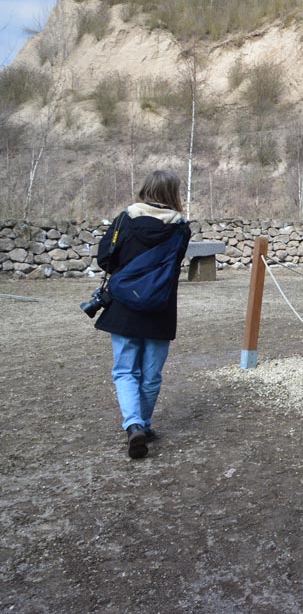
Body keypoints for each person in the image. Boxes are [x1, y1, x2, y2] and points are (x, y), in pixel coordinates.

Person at [94, 169, 191, 459]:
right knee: (151, 375)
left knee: (125, 370)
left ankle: (133, 424)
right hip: (160, 308)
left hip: (124, 307)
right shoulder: (181, 229)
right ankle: (144, 425)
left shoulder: (124, 219)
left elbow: (104, 259)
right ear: (173, 193)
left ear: (145, 189)